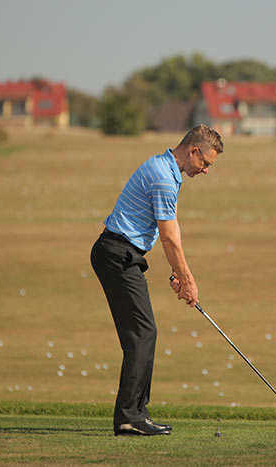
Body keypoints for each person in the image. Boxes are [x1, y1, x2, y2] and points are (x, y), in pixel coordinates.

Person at [90, 124, 224, 436]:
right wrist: (188, 280)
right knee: (143, 333)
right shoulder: (164, 177)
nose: (205, 171)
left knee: (143, 333)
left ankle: (136, 413)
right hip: (116, 254)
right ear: (192, 151)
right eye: (205, 163)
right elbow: (169, 239)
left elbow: (167, 233)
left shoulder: (165, 168)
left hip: (123, 254)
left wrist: (179, 273)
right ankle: (129, 417)